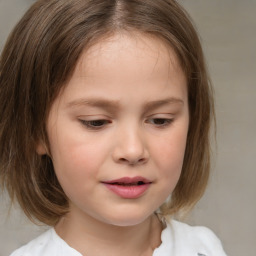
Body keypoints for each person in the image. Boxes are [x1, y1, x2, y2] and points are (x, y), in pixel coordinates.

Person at [0, 0, 227, 255]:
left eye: (160, 120)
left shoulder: (204, 248)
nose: (132, 150)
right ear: (35, 129)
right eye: (95, 122)